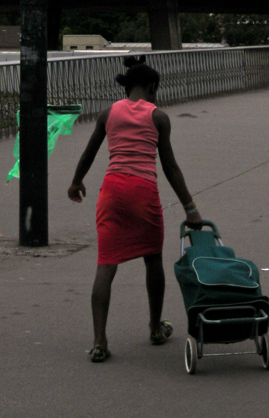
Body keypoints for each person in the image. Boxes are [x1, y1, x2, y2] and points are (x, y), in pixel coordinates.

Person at [67, 55, 203, 363]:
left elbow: (90, 152)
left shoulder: (108, 113)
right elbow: (170, 166)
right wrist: (190, 208)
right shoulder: (158, 117)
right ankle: (155, 327)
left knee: (106, 264)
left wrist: (76, 182)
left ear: (128, 87)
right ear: (153, 86)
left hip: (112, 190)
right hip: (142, 190)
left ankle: (99, 341)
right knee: (152, 258)